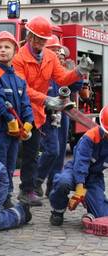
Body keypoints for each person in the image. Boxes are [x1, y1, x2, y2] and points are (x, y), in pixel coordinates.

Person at [12, 16, 93, 206]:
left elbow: (62, 78)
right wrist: (47, 99)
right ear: (30, 36)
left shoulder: (49, 56)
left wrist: (79, 71)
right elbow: (22, 89)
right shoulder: (19, 59)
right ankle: (26, 190)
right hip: (24, 111)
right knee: (30, 154)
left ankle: (33, 186)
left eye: (43, 39)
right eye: (38, 38)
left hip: (39, 111)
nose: (40, 42)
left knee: (47, 151)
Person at [0, 31, 33, 208]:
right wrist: (10, 120)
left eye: (7, 47)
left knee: (11, 167)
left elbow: (26, 103)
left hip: (14, 135)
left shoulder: (19, 79)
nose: (2, 50)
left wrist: (28, 123)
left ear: (15, 51)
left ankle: (6, 198)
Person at [34, 37, 83, 198]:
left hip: (62, 115)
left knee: (60, 151)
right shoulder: (42, 68)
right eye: (53, 49)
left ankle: (52, 186)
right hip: (47, 115)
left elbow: (76, 87)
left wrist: (77, 72)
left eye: (58, 50)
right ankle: (37, 180)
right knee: (51, 150)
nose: (57, 53)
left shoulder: (60, 69)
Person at [49, 105, 108, 226]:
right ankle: (58, 210)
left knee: (102, 216)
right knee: (62, 182)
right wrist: (80, 188)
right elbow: (80, 162)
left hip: (94, 177)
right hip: (74, 170)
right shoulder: (90, 137)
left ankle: (93, 209)